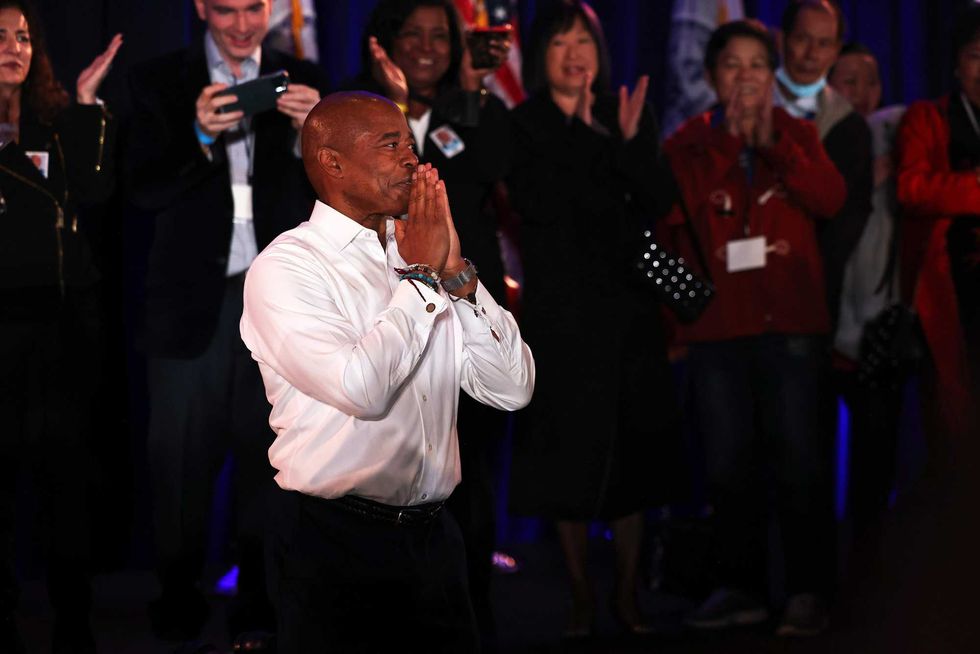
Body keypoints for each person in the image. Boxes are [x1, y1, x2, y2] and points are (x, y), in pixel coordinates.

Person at [239, 90, 535, 653]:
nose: (411, 159)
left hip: (436, 541)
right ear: (332, 162)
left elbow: (512, 389)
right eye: (390, 144)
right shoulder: (286, 266)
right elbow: (361, 388)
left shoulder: (416, 252)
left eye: (410, 142)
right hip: (332, 544)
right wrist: (423, 279)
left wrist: (458, 278)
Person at [126, 0, 328, 642]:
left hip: (279, 303)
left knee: (272, 456)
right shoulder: (159, 78)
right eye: (226, 10)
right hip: (192, 303)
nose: (243, 26)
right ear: (199, 8)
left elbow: (339, 197)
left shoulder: (297, 75)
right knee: (178, 458)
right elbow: (139, 190)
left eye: (255, 9)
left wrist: (316, 136)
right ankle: (178, 592)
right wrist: (200, 137)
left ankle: (259, 599)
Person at [663, 20, 845, 637]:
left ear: (774, 76)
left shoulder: (797, 133)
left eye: (757, 66)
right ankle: (738, 587)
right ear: (713, 79)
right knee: (727, 465)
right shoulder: (689, 141)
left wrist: (771, 144)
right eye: (732, 66)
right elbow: (675, 212)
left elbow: (831, 199)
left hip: (791, 322)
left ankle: (808, 591)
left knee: (801, 461)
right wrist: (729, 143)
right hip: (718, 329)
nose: (745, 77)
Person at [506, 0, 679, 638]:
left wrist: (631, 145)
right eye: (559, 42)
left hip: (629, 312)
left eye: (585, 40)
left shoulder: (623, 113)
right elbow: (541, 207)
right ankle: (581, 594)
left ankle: (628, 595)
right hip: (560, 317)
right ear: (539, 54)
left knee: (635, 458)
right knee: (565, 458)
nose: (575, 52)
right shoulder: (522, 124)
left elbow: (658, 200)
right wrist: (582, 139)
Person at [351, 1, 513, 647]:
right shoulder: (361, 116)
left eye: (438, 36)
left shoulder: (469, 108)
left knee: (469, 472)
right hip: (393, 309)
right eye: (411, 35)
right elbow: (385, 191)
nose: (426, 48)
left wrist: (471, 93)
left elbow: (493, 169)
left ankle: (474, 612)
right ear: (384, 44)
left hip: (463, 302)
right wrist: (392, 111)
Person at [0, 1, 120, 651]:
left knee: (65, 486)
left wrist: (87, 104)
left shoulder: (52, 122)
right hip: (2, 324)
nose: (14, 47)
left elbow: (98, 192)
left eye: (23, 37)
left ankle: (75, 625)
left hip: (65, 323)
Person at [829, 43, 908, 534]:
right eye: (848, 81)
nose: (860, 93)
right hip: (823, 331)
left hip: (881, 334)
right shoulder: (809, 142)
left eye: (870, 81)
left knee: (876, 468)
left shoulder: (898, 134)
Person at [775, 0, 872, 332]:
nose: (811, 54)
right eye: (802, 39)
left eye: (824, 43)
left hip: (806, 298)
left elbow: (849, 215)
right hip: (735, 297)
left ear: (835, 51)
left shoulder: (849, 126)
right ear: (781, 39)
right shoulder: (739, 108)